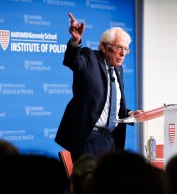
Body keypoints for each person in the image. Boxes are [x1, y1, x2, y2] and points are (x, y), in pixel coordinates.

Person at [55, 12, 142, 162]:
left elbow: (109, 103)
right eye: (119, 48)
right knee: (89, 182)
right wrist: (76, 41)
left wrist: (129, 113)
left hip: (111, 138)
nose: (123, 54)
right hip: (88, 137)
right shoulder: (89, 58)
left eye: (126, 50)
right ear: (104, 47)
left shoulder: (118, 69)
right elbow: (72, 61)